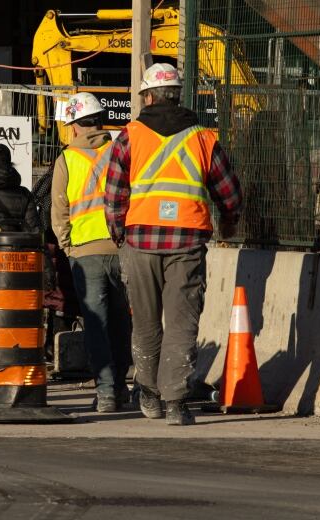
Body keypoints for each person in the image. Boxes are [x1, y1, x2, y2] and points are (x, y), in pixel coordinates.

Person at [104, 63, 243, 426]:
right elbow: (228, 192)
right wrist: (228, 223)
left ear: (148, 96)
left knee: (146, 323)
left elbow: (115, 193)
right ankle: (177, 403)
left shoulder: (129, 135)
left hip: (141, 241)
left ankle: (149, 394)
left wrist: (119, 233)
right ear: (178, 95)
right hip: (187, 240)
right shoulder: (202, 137)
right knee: (182, 322)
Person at [51, 92, 132, 413]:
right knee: (122, 322)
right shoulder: (119, 150)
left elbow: (59, 209)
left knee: (96, 324)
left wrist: (67, 245)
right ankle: (122, 386)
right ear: (100, 121)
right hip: (124, 247)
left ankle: (108, 391)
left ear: (74, 126)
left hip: (85, 253)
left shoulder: (66, 159)